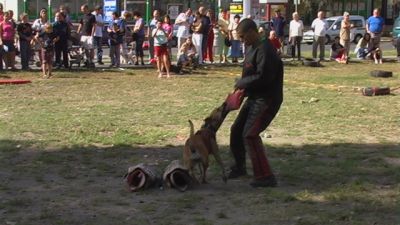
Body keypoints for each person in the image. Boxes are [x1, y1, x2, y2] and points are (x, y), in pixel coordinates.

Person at [228, 18, 283, 188]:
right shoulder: (251, 48)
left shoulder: (265, 49)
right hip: (255, 97)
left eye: (243, 37)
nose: (242, 41)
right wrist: (241, 91)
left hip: (267, 99)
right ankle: (240, 167)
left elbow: (263, 77)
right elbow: (249, 74)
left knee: (250, 134)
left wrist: (242, 83)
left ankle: (265, 176)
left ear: (252, 32)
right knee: (236, 130)